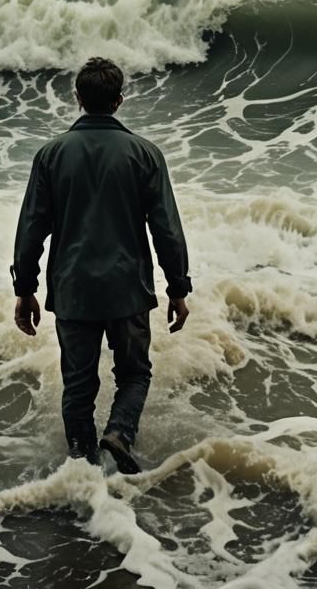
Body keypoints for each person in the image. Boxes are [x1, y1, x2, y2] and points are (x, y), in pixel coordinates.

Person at [11, 57, 191, 474]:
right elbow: (167, 228)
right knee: (134, 374)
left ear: (77, 99)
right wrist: (178, 288)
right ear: (119, 100)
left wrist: (25, 289)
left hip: (73, 290)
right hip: (127, 288)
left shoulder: (50, 156)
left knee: (78, 384)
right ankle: (120, 433)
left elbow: (31, 229)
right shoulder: (145, 154)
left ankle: (81, 467)